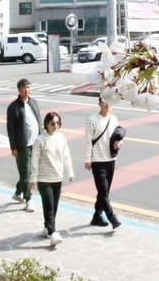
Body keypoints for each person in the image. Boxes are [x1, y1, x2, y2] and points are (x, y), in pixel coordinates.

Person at [31, 111, 75, 247]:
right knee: (49, 205)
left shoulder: (61, 137)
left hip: (57, 177)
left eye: (57, 123)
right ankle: (53, 233)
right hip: (44, 179)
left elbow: (66, 155)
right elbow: (34, 159)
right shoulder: (40, 140)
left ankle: (47, 228)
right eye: (52, 123)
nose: (55, 125)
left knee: (54, 206)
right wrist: (33, 177)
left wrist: (70, 171)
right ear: (46, 124)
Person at [84, 98, 121, 228]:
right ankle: (112, 218)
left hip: (110, 159)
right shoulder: (91, 120)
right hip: (97, 160)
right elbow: (88, 141)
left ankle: (97, 216)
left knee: (104, 191)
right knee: (104, 191)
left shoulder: (114, 119)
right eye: (105, 102)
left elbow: (118, 136)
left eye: (109, 102)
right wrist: (88, 159)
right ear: (99, 104)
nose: (107, 104)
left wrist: (120, 143)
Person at [6, 79, 42, 212]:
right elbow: (10, 129)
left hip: (36, 143)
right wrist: (13, 147)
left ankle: (17, 192)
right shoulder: (14, 107)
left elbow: (39, 120)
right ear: (19, 90)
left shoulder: (33, 102)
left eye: (28, 87)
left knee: (31, 172)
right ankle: (29, 199)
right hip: (23, 145)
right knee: (26, 173)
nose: (26, 90)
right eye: (24, 88)